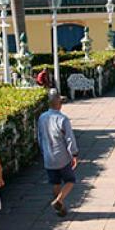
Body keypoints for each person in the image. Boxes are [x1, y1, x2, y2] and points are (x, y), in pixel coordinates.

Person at [37, 89, 79, 217]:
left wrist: (43, 151)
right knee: (70, 180)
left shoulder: (42, 117)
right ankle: (59, 200)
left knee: (55, 182)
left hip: (48, 157)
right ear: (59, 104)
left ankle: (60, 208)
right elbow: (69, 138)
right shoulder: (63, 119)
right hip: (62, 156)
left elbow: (39, 137)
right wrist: (74, 154)